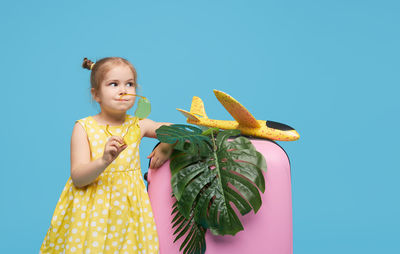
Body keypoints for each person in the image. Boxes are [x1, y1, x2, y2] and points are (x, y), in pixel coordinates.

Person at [40, 57, 173, 254]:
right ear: (96, 94)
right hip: (91, 209)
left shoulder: (138, 124)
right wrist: (104, 161)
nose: (123, 90)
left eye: (130, 84)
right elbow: (78, 177)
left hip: (128, 209)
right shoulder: (84, 127)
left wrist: (166, 146)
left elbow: (178, 130)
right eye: (114, 84)